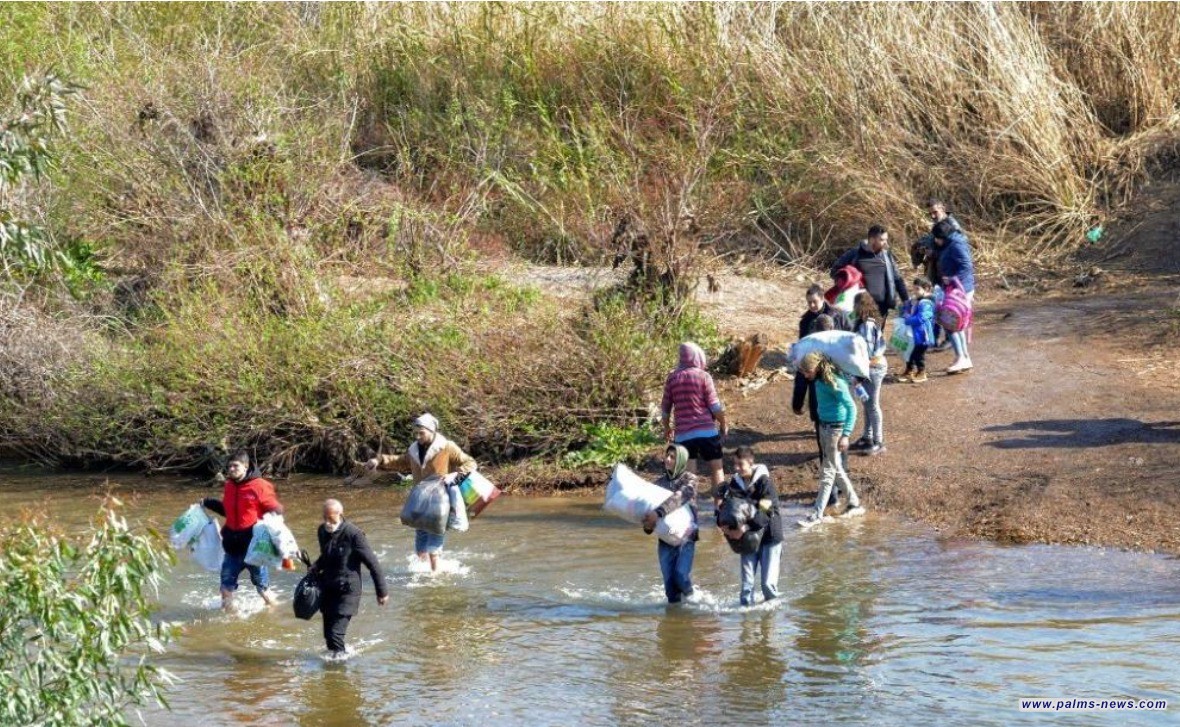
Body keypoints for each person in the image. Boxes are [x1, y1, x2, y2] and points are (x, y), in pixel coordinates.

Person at [357, 413, 476, 571]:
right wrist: (378, 460)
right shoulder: (414, 449)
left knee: (435, 533)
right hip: (419, 497)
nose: (418, 436)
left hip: (440, 498)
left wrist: (455, 474)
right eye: (416, 433)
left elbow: (470, 462)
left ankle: (435, 575)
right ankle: (423, 569)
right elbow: (400, 461)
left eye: (422, 433)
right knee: (420, 537)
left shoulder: (447, 446)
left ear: (432, 430)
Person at [202, 451, 283, 610]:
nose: (231, 469)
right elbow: (228, 511)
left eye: (235, 466)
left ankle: (276, 616)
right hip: (232, 549)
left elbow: (276, 510)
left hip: (254, 550)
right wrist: (208, 502)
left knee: (263, 591)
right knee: (225, 590)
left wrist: (272, 531)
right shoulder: (229, 486)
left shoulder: (259, 485)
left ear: (246, 466)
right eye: (229, 466)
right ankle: (231, 624)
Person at [796, 352, 864, 529]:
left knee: (827, 472)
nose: (805, 375)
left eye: (807, 371)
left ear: (816, 367)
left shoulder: (836, 382)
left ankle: (817, 514)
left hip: (836, 430)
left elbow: (852, 408)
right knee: (836, 468)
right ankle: (854, 503)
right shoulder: (817, 380)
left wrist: (846, 435)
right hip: (823, 427)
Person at [312, 499, 389, 655]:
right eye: (324, 517)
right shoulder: (322, 531)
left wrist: (382, 592)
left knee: (335, 634)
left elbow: (372, 563)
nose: (327, 521)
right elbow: (326, 555)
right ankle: (335, 662)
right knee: (328, 636)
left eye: (330, 517)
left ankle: (339, 668)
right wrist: (316, 565)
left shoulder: (353, 534)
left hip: (348, 591)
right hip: (328, 588)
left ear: (340, 514)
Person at [715, 446, 783, 606]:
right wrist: (724, 526)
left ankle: (770, 626)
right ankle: (746, 627)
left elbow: (765, 513)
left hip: (769, 537)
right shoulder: (735, 484)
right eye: (735, 464)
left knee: (768, 586)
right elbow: (725, 509)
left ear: (751, 463)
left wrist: (744, 528)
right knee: (746, 589)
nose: (737, 468)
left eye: (741, 464)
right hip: (747, 541)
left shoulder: (765, 483)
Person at [661, 342, 728, 490]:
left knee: (689, 477)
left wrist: (667, 429)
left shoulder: (672, 379)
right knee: (717, 469)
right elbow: (715, 407)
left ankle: (690, 510)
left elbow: (665, 410)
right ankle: (720, 509)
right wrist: (723, 424)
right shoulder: (704, 376)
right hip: (707, 433)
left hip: (683, 435)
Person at [642, 444, 699, 604]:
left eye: (672, 457)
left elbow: (680, 497)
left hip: (686, 537)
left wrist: (658, 513)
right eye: (667, 456)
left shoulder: (690, 479)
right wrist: (647, 526)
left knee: (680, 576)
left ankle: (693, 600)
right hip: (665, 540)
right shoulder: (658, 484)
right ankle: (676, 621)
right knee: (670, 590)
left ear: (681, 460)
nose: (667, 459)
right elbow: (648, 513)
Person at [915, 198, 964, 351]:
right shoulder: (938, 225)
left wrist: (933, 252)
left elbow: (953, 250)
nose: (933, 216)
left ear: (943, 208)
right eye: (930, 213)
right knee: (934, 305)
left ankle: (950, 339)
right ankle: (934, 339)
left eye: (935, 212)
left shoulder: (952, 226)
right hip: (936, 271)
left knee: (947, 307)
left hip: (947, 274)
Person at [831, 225, 908, 318]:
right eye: (882, 240)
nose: (886, 243)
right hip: (858, 307)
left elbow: (897, 279)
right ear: (872, 240)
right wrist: (847, 281)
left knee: (877, 333)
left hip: (881, 308)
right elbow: (835, 271)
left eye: (886, 240)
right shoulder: (855, 254)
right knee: (858, 332)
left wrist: (906, 301)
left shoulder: (887, 256)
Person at [932, 219, 976, 373]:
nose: (935, 241)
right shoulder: (952, 242)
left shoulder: (956, 244)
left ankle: (961, 358)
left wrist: (952, 279)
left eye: (936, 238)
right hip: (956, 288)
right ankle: (964, 358)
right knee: (956, 324)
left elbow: (966, 265)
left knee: (950, 323)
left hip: (959, 289)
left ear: (942, 236)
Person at [851, 291, 887, 455]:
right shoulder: (868, 323)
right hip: (868, 368)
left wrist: (857, 373)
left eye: (855, 305)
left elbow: (866, 351)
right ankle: (867, 437)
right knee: (866, 403)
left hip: (873, 368)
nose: (853, 308)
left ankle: (879, 441)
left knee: (872, 405)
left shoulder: (866, 325)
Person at [898, 276, 936, 383]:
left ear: (927, 289)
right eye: (913, 289)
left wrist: (908, 319)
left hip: (923, 335)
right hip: (914, 334)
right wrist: (905, 308)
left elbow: (921, 318)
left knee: (918, 355)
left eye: (917, 289)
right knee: (909, 351)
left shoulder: (926, 303)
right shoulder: (916, 300)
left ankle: (921, 372)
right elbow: (905, 307)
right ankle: (909, 370)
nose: (914, 292)